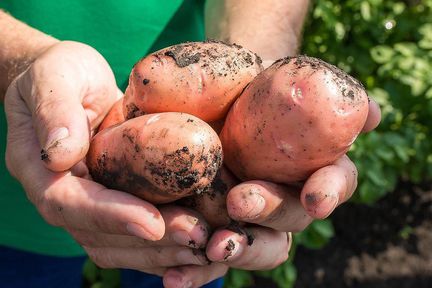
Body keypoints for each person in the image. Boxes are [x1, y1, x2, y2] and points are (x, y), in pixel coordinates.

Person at [0, 1, 381, 287]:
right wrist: (23, 62)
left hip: (190, 225)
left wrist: (260, 80)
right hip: (18, 198)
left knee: (193, 250)